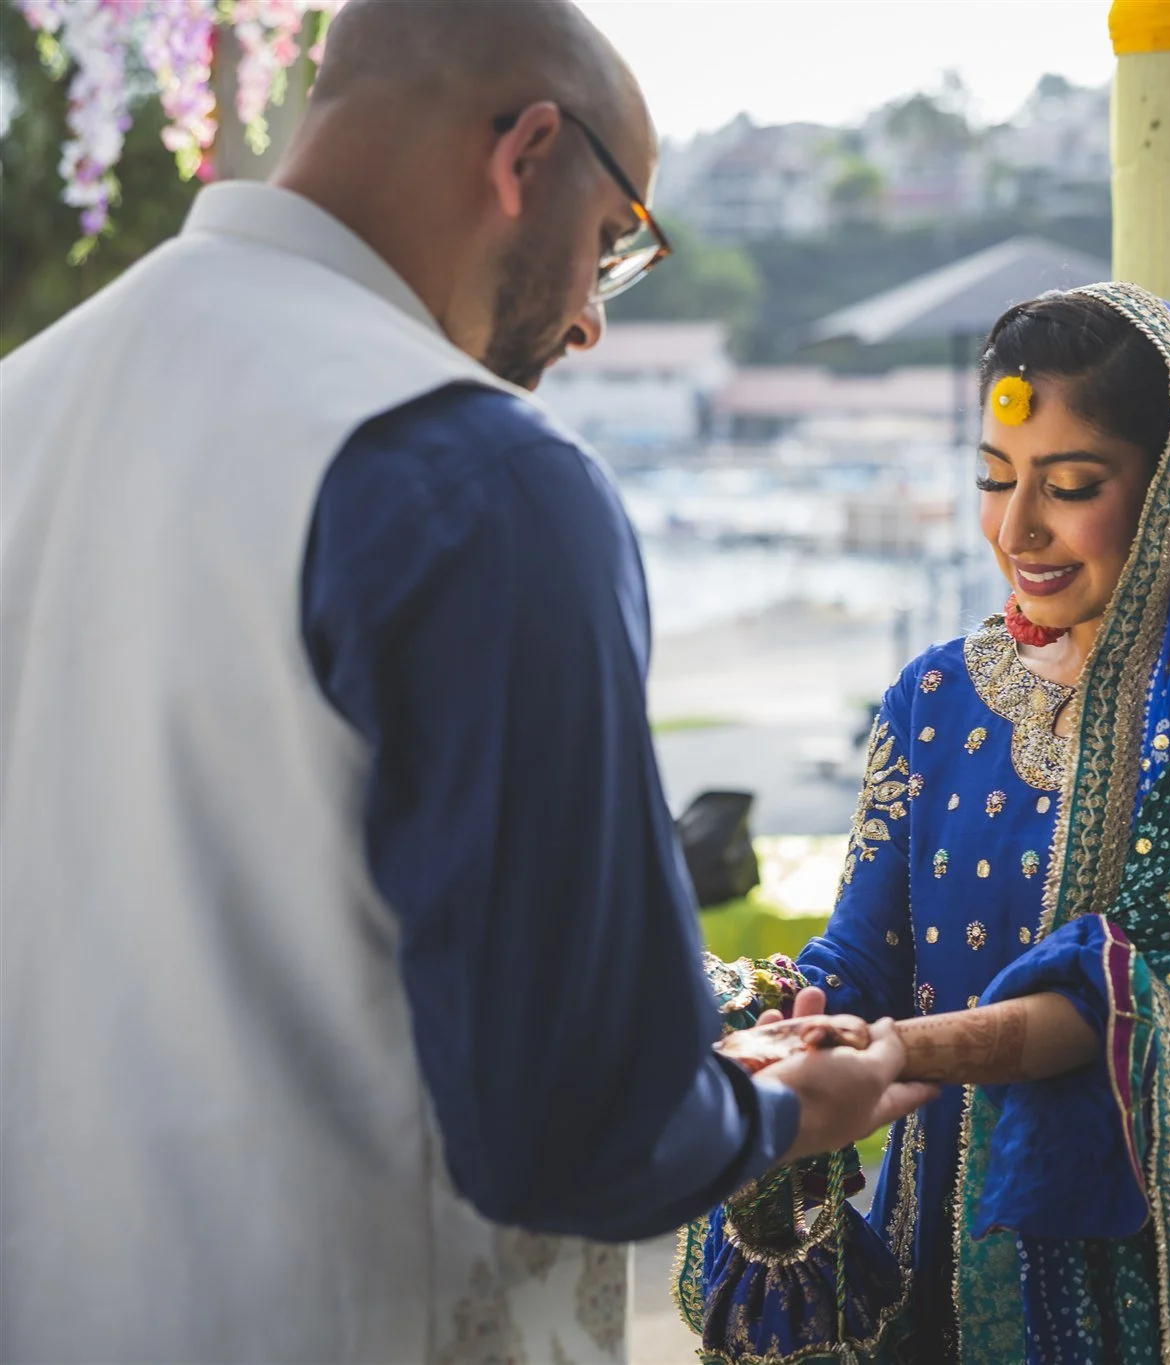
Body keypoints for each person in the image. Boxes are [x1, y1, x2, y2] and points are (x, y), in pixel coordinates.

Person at [0, 3, 925, 1360]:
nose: (595, 319)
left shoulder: (26, 406)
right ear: (530, 155)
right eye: (612, 244)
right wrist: (790, 1111)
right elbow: (580, 1126)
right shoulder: (476, 479)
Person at [680, 285, 1170, 1363]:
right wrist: (778, 1023)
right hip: (935, 1248)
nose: (1017, 531)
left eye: (1071, 486)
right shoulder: (937, 694)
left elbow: (1153, 1000)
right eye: (993, 480)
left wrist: (893, 1053)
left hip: (1149, 1272)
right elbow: (867, 949)